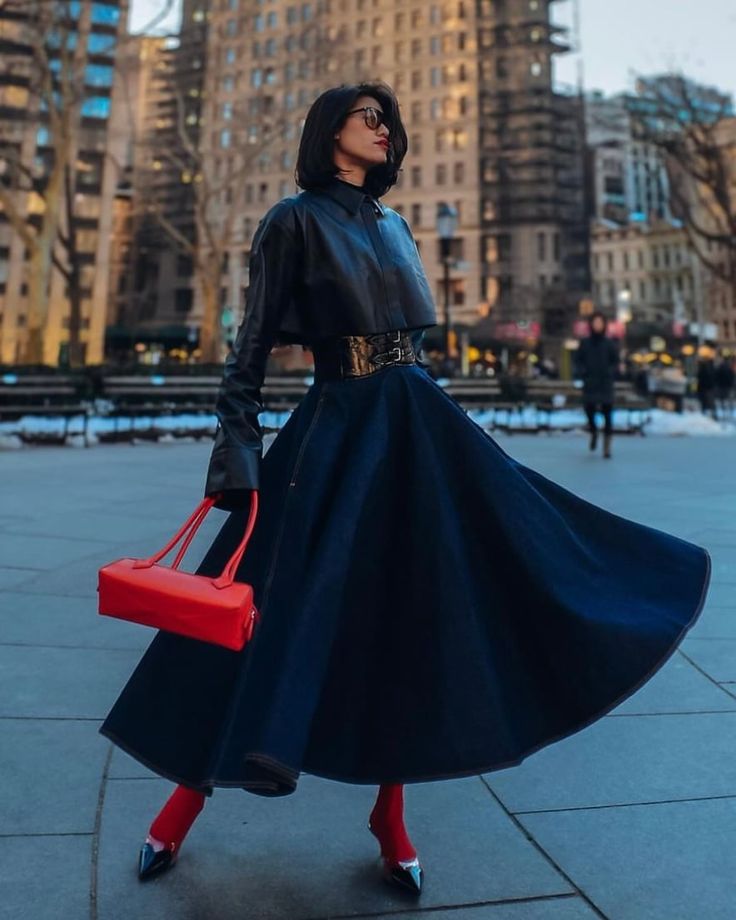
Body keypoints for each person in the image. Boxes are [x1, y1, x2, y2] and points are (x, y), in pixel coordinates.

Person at [99, 83, 712, 897]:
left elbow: (409, 338)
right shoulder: (292, 220)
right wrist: (236, 457)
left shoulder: (394, 223)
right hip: (338, 433)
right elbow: (248, 353)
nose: (386, 129)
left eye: (390, 119)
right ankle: (181, 804)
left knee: (423, 614)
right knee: (263, 613)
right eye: (369, 118)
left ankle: (391, 820)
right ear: (330, 134)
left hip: (420, 426)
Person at [573, 312, 619, 458]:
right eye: (595, 322)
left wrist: (610, 372)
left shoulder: (609, 343)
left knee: (607, 413)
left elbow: (615, 361)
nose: (597, 325)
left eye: (600, 322)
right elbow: (578, 360)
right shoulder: (585, 342)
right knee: (589, 409)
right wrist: (583, 372)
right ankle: (593, 432)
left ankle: (607, 447)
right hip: (590, 382)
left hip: (605, 382)